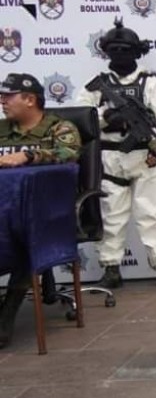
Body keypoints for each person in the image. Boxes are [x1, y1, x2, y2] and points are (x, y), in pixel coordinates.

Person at [76, 19, 156, 291]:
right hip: (111, 158)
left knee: (152, 214)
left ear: (137, 51)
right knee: (112, 214)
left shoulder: (150, 84)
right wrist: (107, 117)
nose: (120, 54)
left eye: (126, 49)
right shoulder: (95, 87)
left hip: (145, 157)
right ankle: (111, 268)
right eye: (115, 49)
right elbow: (79, 120)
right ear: (106, 51)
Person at [0, 72, 82, 347]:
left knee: (24, 241)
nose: (3, 101)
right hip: (5, 214)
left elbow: (69, 154)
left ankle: (5, 320)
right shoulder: (2, 130)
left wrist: (29, 155)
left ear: (30, 99)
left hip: (48, 216)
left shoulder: (59, 128)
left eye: (8, 96)